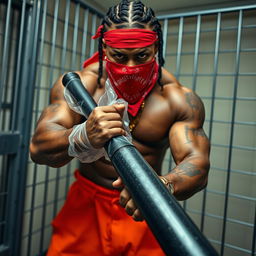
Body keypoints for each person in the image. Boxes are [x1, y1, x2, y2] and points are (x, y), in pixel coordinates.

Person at [30, 0, 210, 255]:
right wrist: (81, 135)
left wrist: (162, 187)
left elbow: (196, 162)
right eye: (119, 56)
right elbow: (39, 147)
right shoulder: (82, 85)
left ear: (155, 47)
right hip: (86, 205)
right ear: (104, 47)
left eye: (142, 56)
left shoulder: (178, 99)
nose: (131, 67)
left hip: (144, 207)